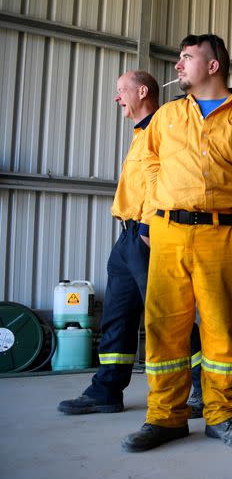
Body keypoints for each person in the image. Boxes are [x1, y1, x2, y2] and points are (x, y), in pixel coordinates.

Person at [122, 34, 232, 452]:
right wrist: (164, 198)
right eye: (178, 58)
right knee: (164, 328)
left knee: (219, 328)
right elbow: (149, 159)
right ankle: (164, 417)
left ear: (213, 66)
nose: (178, 65)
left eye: (187, 58)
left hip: (222, 234)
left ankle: (222, 416)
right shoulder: (168, 115)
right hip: (168, 233)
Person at [57, 70, 204, 419]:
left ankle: (203, 390)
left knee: (172, 319)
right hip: (126, 238)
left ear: (142, 91)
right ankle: (106, 391)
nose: (116, 98)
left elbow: (172, 181)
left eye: (121, 90)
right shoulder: (141, 134)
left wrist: (150, 226)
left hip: (148, 235)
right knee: (117, 318)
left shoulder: (165, 129)